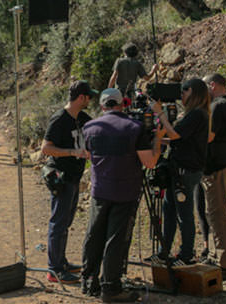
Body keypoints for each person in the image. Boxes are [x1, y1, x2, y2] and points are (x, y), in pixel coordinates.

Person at [80, 88, 164, 301]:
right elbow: (150, 162)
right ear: (123, 104)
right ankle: (111, 288)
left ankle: (89, 281)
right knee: (115, 240)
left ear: (102, 106)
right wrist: (158, 139)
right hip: (125, 192)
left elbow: (88, 154)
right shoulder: (134, 128)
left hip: (100, 190)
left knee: (94, 234)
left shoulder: (90, 127)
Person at [41, 80, 96, 284]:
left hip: (74, 177)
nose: (90, 100)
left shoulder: (81, 117)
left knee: (66, 222)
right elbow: (46, 148)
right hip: (62, 178)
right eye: (89, 96)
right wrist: (72, 152)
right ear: (81, 98)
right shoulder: (60, 119)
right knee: (58, 223)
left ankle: (61, 262)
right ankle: (54, 269)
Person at [155, 78, 210, 265]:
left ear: (193, 92)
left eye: (184, 91)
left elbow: (176, 135)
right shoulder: (195, 114)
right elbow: (178, 140)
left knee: (183, 213)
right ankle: (164, 251)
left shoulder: (197, 115)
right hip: (179, 168)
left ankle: (186, 254)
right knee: (169, 209)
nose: (181, 95)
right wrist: (157, 140)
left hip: (186, 170)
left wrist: (161, 116)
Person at [201, 73, 226, 276]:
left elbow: (209, 136)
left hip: (217, 165)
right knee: (216, 211)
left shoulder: (217, 106)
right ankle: (217, 255)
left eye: (205, 87)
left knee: (217, 212)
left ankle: (223, 261)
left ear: (213, 85)